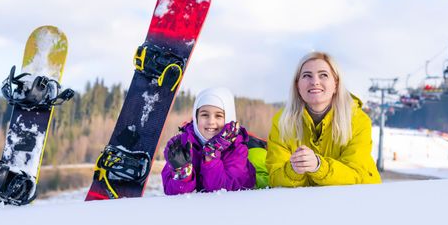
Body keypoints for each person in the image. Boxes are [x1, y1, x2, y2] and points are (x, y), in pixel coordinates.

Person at [266, 52, 381, 187]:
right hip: (305, 204)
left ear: (336, 84)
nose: (315, 82)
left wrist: (319, 166)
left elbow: (356, 175)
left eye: (323, 75)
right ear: (297, 85)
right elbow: (275, 176)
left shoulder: (358, 121)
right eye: (307, 75)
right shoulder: (282, 122)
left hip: (358, 200)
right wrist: (293, 171)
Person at [161, 87, 257, 195]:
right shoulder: (184, 144)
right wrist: (183, 173)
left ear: (229, 118)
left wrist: (211, 155)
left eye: (218, 116)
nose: (211, 121)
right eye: (204, 115)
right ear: (196, 117)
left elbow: (222, 192)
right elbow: (171, 193)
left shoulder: (237, 149)